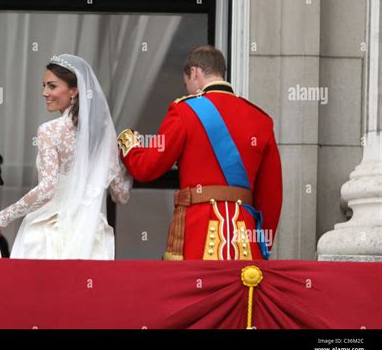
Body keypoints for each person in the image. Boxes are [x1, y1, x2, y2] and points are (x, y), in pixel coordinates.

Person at [117, 45, 282, 260]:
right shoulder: (260, 119)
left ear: (194, 72)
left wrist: (129, 143)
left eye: (186, 83)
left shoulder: (184, 111)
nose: (187, 90)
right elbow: (271, 197)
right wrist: (261, 242)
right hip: (245, 240)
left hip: (199, 234)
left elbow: (148, 167)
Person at [0, 54, 132, 259]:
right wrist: (131, 159)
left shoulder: (49, 130)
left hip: (50, 234)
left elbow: (46, 190)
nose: (45, 92)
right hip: (90, 236)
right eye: (44, 85)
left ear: (74, 91)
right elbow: (121, 195)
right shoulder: (103, 135)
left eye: (52, 86)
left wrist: (1, 217)